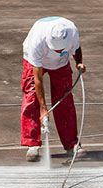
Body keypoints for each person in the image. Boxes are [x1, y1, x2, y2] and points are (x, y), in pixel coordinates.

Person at [21, 16, 87, 161]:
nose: (58, 51)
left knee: (65, 99)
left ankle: (72, 144)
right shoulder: (37, 41)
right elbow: (37, 79)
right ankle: (32, 144)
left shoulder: (72, 30)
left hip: (61, 64)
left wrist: (79, 63)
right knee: (32, 97)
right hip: (35, 61)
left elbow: (76, 49)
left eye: (60, 49)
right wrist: (44, 109)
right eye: (55, 49)